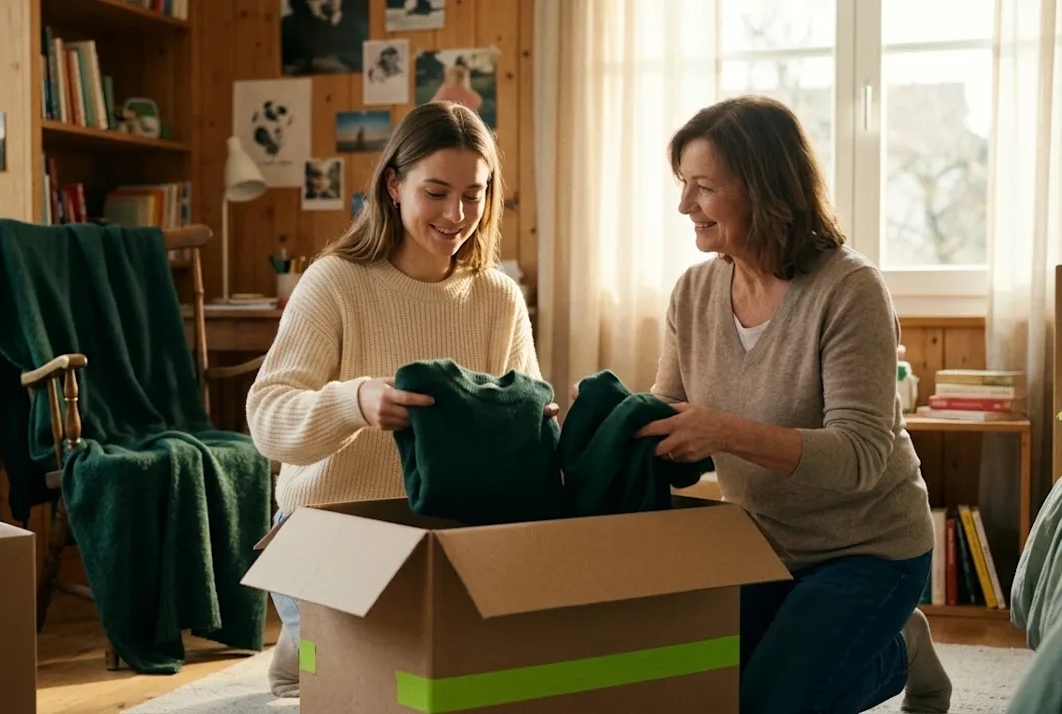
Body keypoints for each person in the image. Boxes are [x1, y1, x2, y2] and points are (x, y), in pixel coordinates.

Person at [627, 95, 952, 713]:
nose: (683, 206)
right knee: (702, 686)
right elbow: (667, 411)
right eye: (682, 185)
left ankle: (895, 649)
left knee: (771, 703)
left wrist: (722, 431)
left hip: (869, 549)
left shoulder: (850, 290)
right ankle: (878, 645)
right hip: (760, 543)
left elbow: (857, 456)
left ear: (763, 189)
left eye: (703, 188)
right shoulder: (694, 291)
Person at [245, 101, 554, 698]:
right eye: (436, 192)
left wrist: (534, 424)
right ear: (393, 184)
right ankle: (307, 635)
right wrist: (353, 403)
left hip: (444, 535)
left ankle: (306, 646)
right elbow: (267, 420)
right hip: (330, 529)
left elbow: (523, 428)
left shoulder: (498, 297)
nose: (456, 214)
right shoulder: (334, 282)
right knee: (370, 694)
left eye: (474, 195)